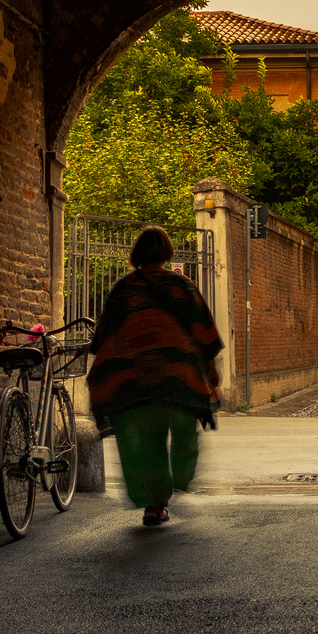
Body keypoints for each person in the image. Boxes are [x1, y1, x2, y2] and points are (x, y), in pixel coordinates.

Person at [87, 225, 223, 526]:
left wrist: (105, 376)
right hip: (180, 378)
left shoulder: (124, 289)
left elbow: (106, 335)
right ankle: (177, 479)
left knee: (144, 442)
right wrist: (210, 373)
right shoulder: (181, 286)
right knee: (185, 434)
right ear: (166, 251)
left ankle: (154, 502)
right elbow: (203, 329)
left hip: (132, 381)